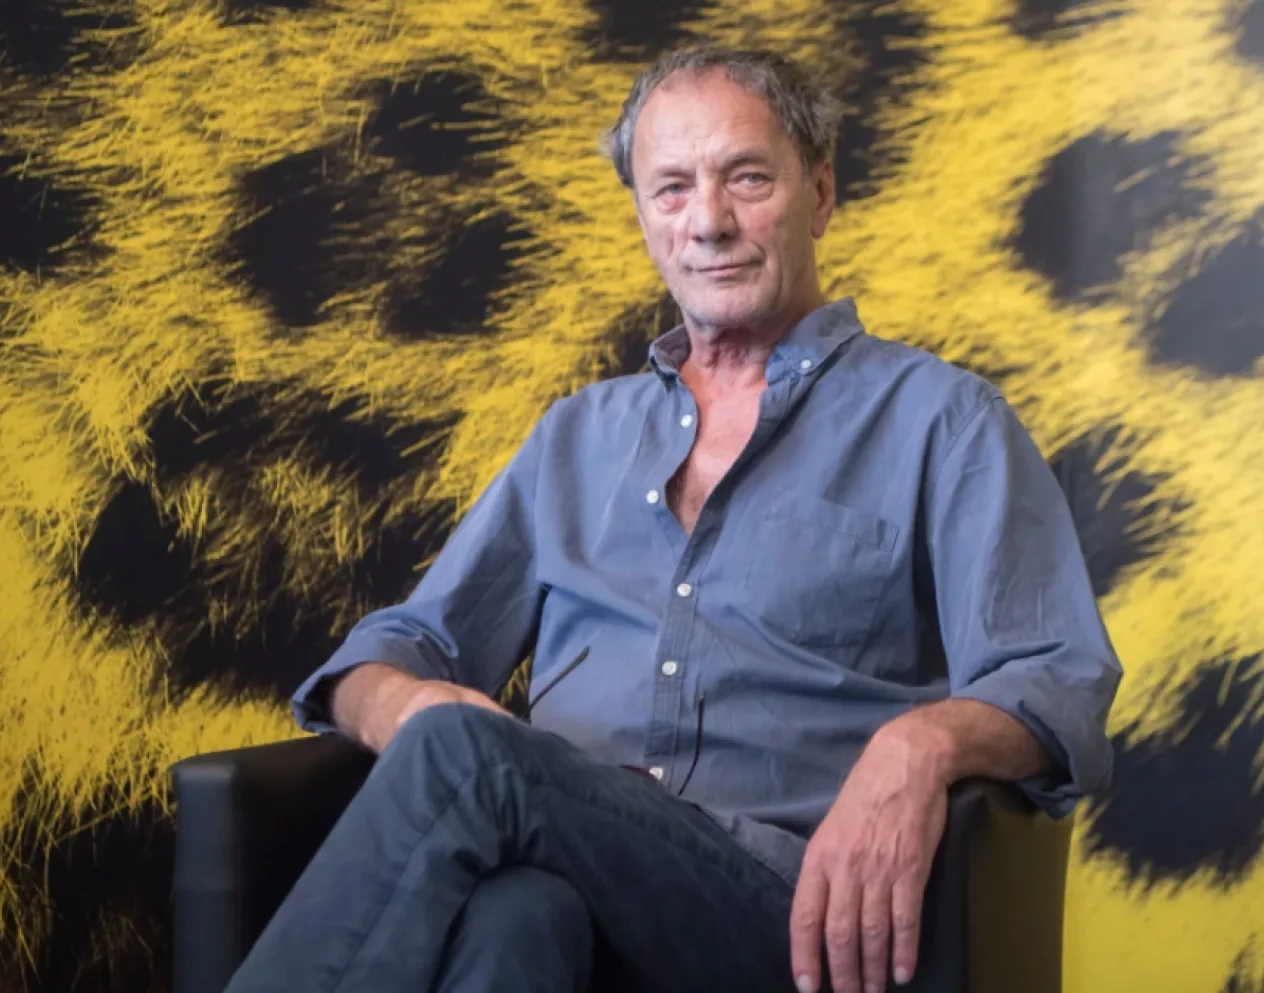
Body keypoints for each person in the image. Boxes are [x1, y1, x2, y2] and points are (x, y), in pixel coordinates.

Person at [224, 45, 1121, 993]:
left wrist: (922, 742)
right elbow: (397, 646)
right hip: (573, 872)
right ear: (645, 219)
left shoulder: (943, 420)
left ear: (819, 193)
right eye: (672, 189)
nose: (711, 223)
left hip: (787, 912)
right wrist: (402, 703)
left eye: (746, 178)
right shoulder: (577, 437)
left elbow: (1057, 676)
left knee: (472, 761)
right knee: (515, 916)